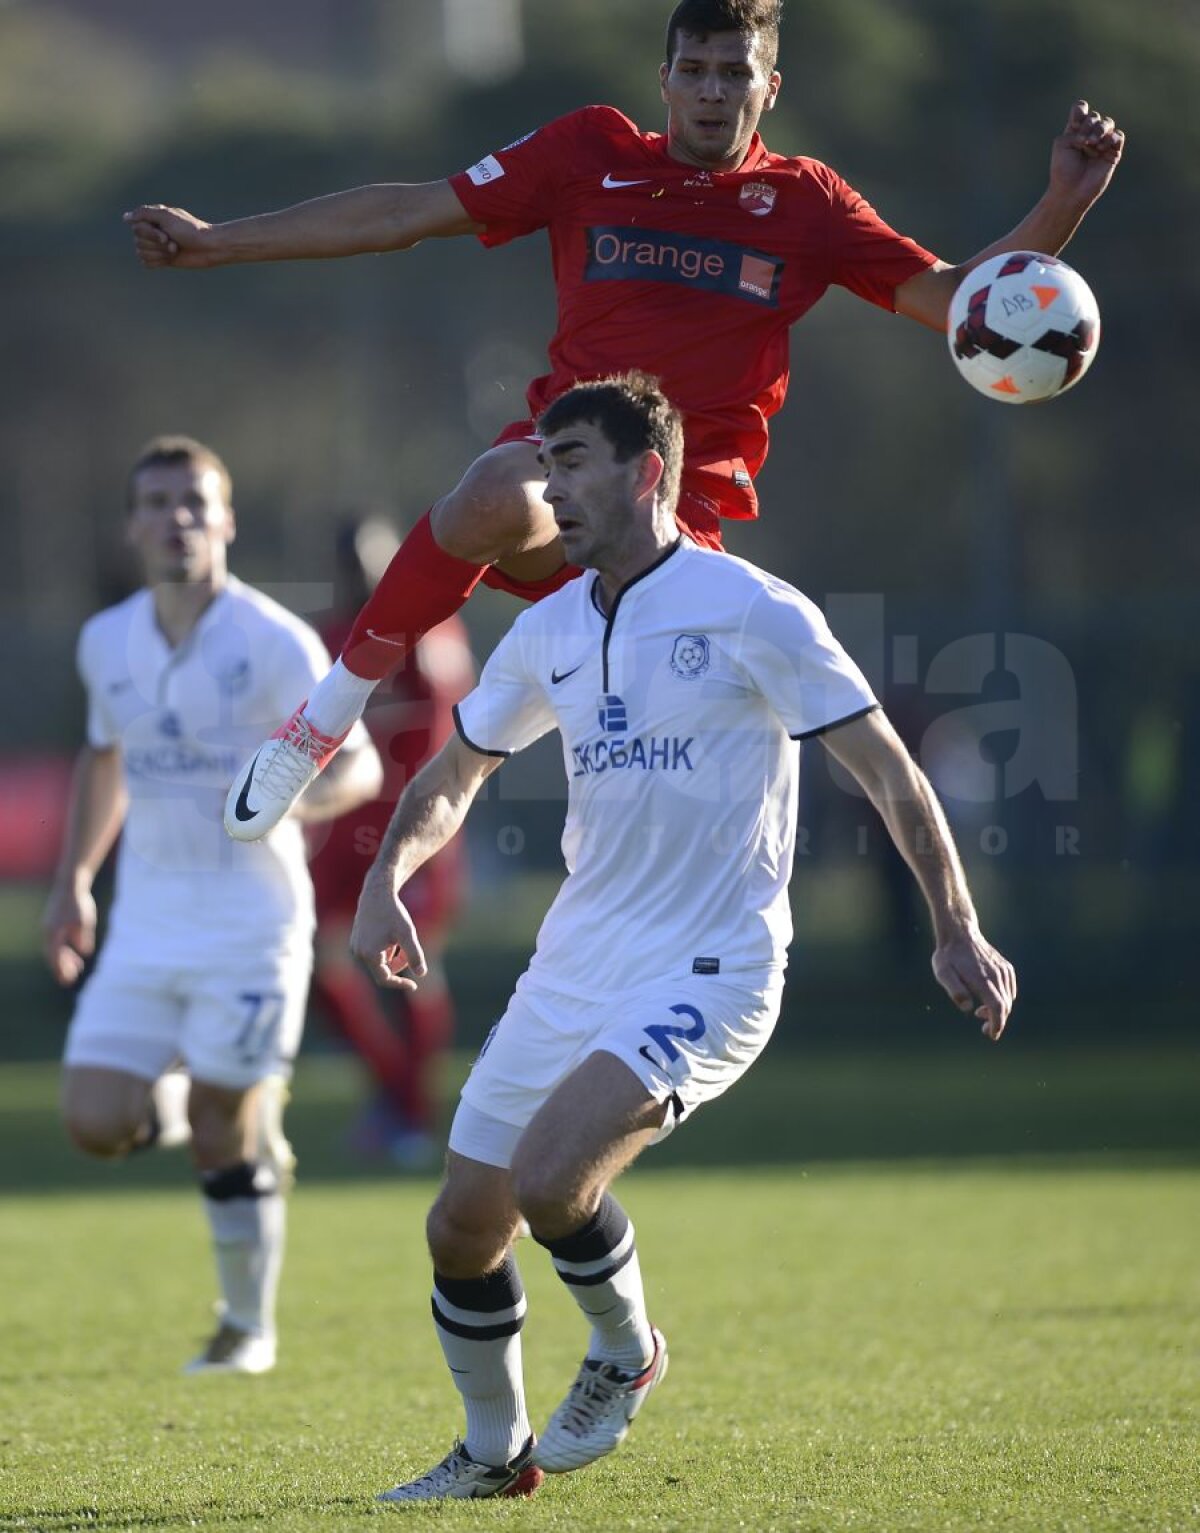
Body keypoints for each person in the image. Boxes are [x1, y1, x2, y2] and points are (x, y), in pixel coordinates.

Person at [121, 0, 1124, 841]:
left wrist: (1059, 210)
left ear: (769, 86)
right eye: (695, 69)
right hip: (567, 489)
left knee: (658, 821)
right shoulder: (587, 152)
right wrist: (218, 245)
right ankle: (321, 724)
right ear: (665, 78)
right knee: (488, 491)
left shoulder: (805, 203)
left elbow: (958, 303)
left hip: (675, 539)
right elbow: (405, 211)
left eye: (736, 72)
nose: (712, 91)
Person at [346, 373, 1016, 1500]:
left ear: (645, 470)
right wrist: (385, 880)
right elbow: (455, 771)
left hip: (713, 964)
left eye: (567, 463)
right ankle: (491, 1454)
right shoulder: (548, 627)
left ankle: (624, 1352)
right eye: (542, 464)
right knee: (463, 1226)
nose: (545, 489)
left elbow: (890, 771)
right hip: (575, 962)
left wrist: (957, 925)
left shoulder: (754, 609)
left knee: (554, 1181)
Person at [42, 436, 382, 1374]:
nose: (176, 518)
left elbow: (357, 761)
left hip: (252, 924)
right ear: (132, 525)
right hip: (147, 924)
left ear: (226, 520)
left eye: (195, 502)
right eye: (156, 502)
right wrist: (74, 879)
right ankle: (210, 1097)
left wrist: (290, 794)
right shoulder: (104, 638)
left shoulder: (271, 640)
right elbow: (106, 756)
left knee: (228, 1132)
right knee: (93, 1121)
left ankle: (246, 1327)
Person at [308, 517, 474, 1165]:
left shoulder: (430, 633)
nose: (359, 574)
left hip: (410, 830)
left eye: (370, 560)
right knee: (316, 960)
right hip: (342, 829)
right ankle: (392, 1092)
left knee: (412, 968)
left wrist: (425, 834)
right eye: (347, 562)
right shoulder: (328, 639)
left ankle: (413, 1115)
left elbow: (443, 740)